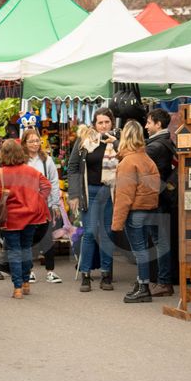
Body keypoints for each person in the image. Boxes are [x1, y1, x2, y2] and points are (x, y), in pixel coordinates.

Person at [0, 139, 51, 299]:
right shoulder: (31, 171)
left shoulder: (0, 173)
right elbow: (46, 186)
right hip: (31, 216)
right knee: (26, 248)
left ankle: (17, 287)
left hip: (11, 218)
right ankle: (26, 282)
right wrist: (37, 200)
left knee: (14, 251)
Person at [109, 122, 161, 304]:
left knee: (139, 250)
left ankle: (143, 287)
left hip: (135, 211)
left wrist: (116, 223)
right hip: (149, 208)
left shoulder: (127, 162)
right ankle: (142, 284)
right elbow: (155, 187)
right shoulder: (147, 159)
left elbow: (124, 195)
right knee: (144, 249)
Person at [67, 109, 118, 292]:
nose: (104, 126)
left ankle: (106, 274)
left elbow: (128, 157)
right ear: (94, 124)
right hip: (90, 192)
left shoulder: (117, 140)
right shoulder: (84, 140)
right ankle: (86, 275)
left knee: (107, 233)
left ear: (112, 123)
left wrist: (117, 143)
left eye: (107, 122)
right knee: (89, 232)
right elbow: (73, 166)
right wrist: (73, 194)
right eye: (100, 123)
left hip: (110, 191)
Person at [143, 109, 176, 295]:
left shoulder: (155, 147)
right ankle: (164, 280)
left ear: (158, 124)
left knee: (160, 241)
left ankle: (164, 282)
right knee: (161, 240)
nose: (146, 126)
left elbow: (138, 162)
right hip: (162, 197)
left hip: (157, 199)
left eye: (149, 123)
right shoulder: (164, 142)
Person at [23, 128, 63, 284]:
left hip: (44, 204)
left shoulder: (46, 159)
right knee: (29, 238)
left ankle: (50, 271)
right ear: (24, 143)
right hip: (26, 205)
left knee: (47, 237)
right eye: (31, 141)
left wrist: (54, 204)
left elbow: (53, 181)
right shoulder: (21, 160)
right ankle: (30, 270)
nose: (35, 144)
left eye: (37, 140)